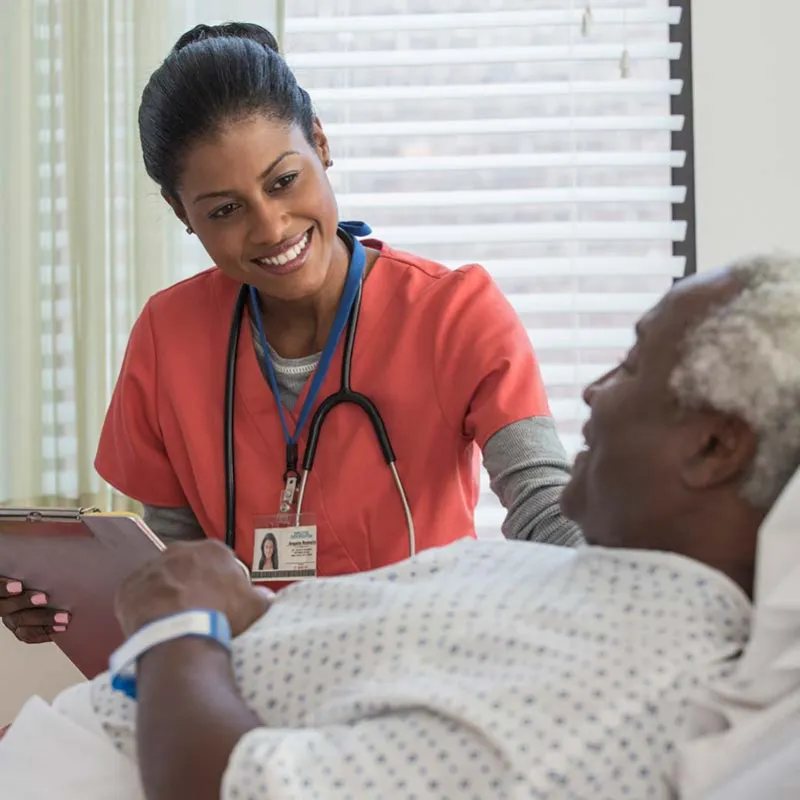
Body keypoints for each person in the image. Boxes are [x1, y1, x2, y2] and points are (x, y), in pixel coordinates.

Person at [2, 253, 799, 799]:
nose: (592, 390)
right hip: (93, 720)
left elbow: (229, 787)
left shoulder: (608, 693)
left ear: (714, 445)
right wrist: (220, 609)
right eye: (222, 209)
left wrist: (182, 624)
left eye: (630, 364)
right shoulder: (586, 584)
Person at [0, 21, 580, 644]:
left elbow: (544, 505)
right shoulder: (167, 337)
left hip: (424, 665)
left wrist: (637, 597)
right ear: (181, 214)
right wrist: (79, 603)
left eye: (283, 181)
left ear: (321, 145)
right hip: (243, 683)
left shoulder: (454, 312)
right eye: (225, 210)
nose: (271, 227)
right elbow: (174, 566)